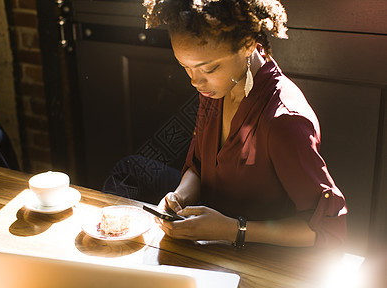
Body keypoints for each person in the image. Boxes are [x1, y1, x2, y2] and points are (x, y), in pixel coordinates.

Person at [141, 0, 347, 248]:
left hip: (256, 257)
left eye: (209, 68)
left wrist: (233, 229)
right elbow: (199, 165)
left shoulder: (285, 121)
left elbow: (328, 229)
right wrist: (180, 196)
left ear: (248, 44)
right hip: (211, 242)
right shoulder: (216, 88)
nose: (196, 82)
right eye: (186, 67)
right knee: (129, 169)